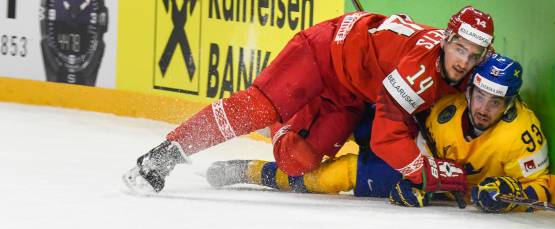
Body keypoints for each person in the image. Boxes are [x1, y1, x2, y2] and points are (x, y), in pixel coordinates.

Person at [123, 7, 495, 193]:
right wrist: (432, 174)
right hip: (323, 53)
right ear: (446, 40)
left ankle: (293, 114)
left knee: (295, 161)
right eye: (459, 48)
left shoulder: (470, 71)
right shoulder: (420, 70)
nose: (464, 61)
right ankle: (167, 152)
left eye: (474, 54)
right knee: (258, 107)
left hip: (351, 91)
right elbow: (385, 138)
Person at [206, 54, 550, 213]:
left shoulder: (521, 134)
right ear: (469, 89)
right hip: (408, 145)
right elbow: (412, 132)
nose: (482, 108)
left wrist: (510, 196)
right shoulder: (450, 105)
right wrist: (420, 182)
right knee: (353, 102)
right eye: (479, 95)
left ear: (510, 102)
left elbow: (542, 190)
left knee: (332, 178)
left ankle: (251, 171)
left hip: (418, 172)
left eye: (495, 101)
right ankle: (292, 123)